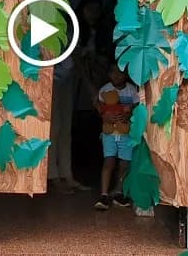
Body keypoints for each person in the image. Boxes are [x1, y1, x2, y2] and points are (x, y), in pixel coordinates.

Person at [93, 65, 137, 211]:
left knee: (125, 164)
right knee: (109, 162)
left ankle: (118, 192)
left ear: (126, 75)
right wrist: (105, 116)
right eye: (114, 73)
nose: (117, 76)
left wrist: (128, 115)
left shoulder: (132, 90)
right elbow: (100, 109)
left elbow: (137, 108)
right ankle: (104, 194)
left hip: (126, 133)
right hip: (109, 134)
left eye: (121, 73)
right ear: (109, 74)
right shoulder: (104, 90)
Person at [47, 53, 90, 194]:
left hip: (67, 76)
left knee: (66, 128)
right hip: (49, 76)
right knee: (54, 128)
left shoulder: (71, 32)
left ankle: (67, 174)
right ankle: (53, 175)